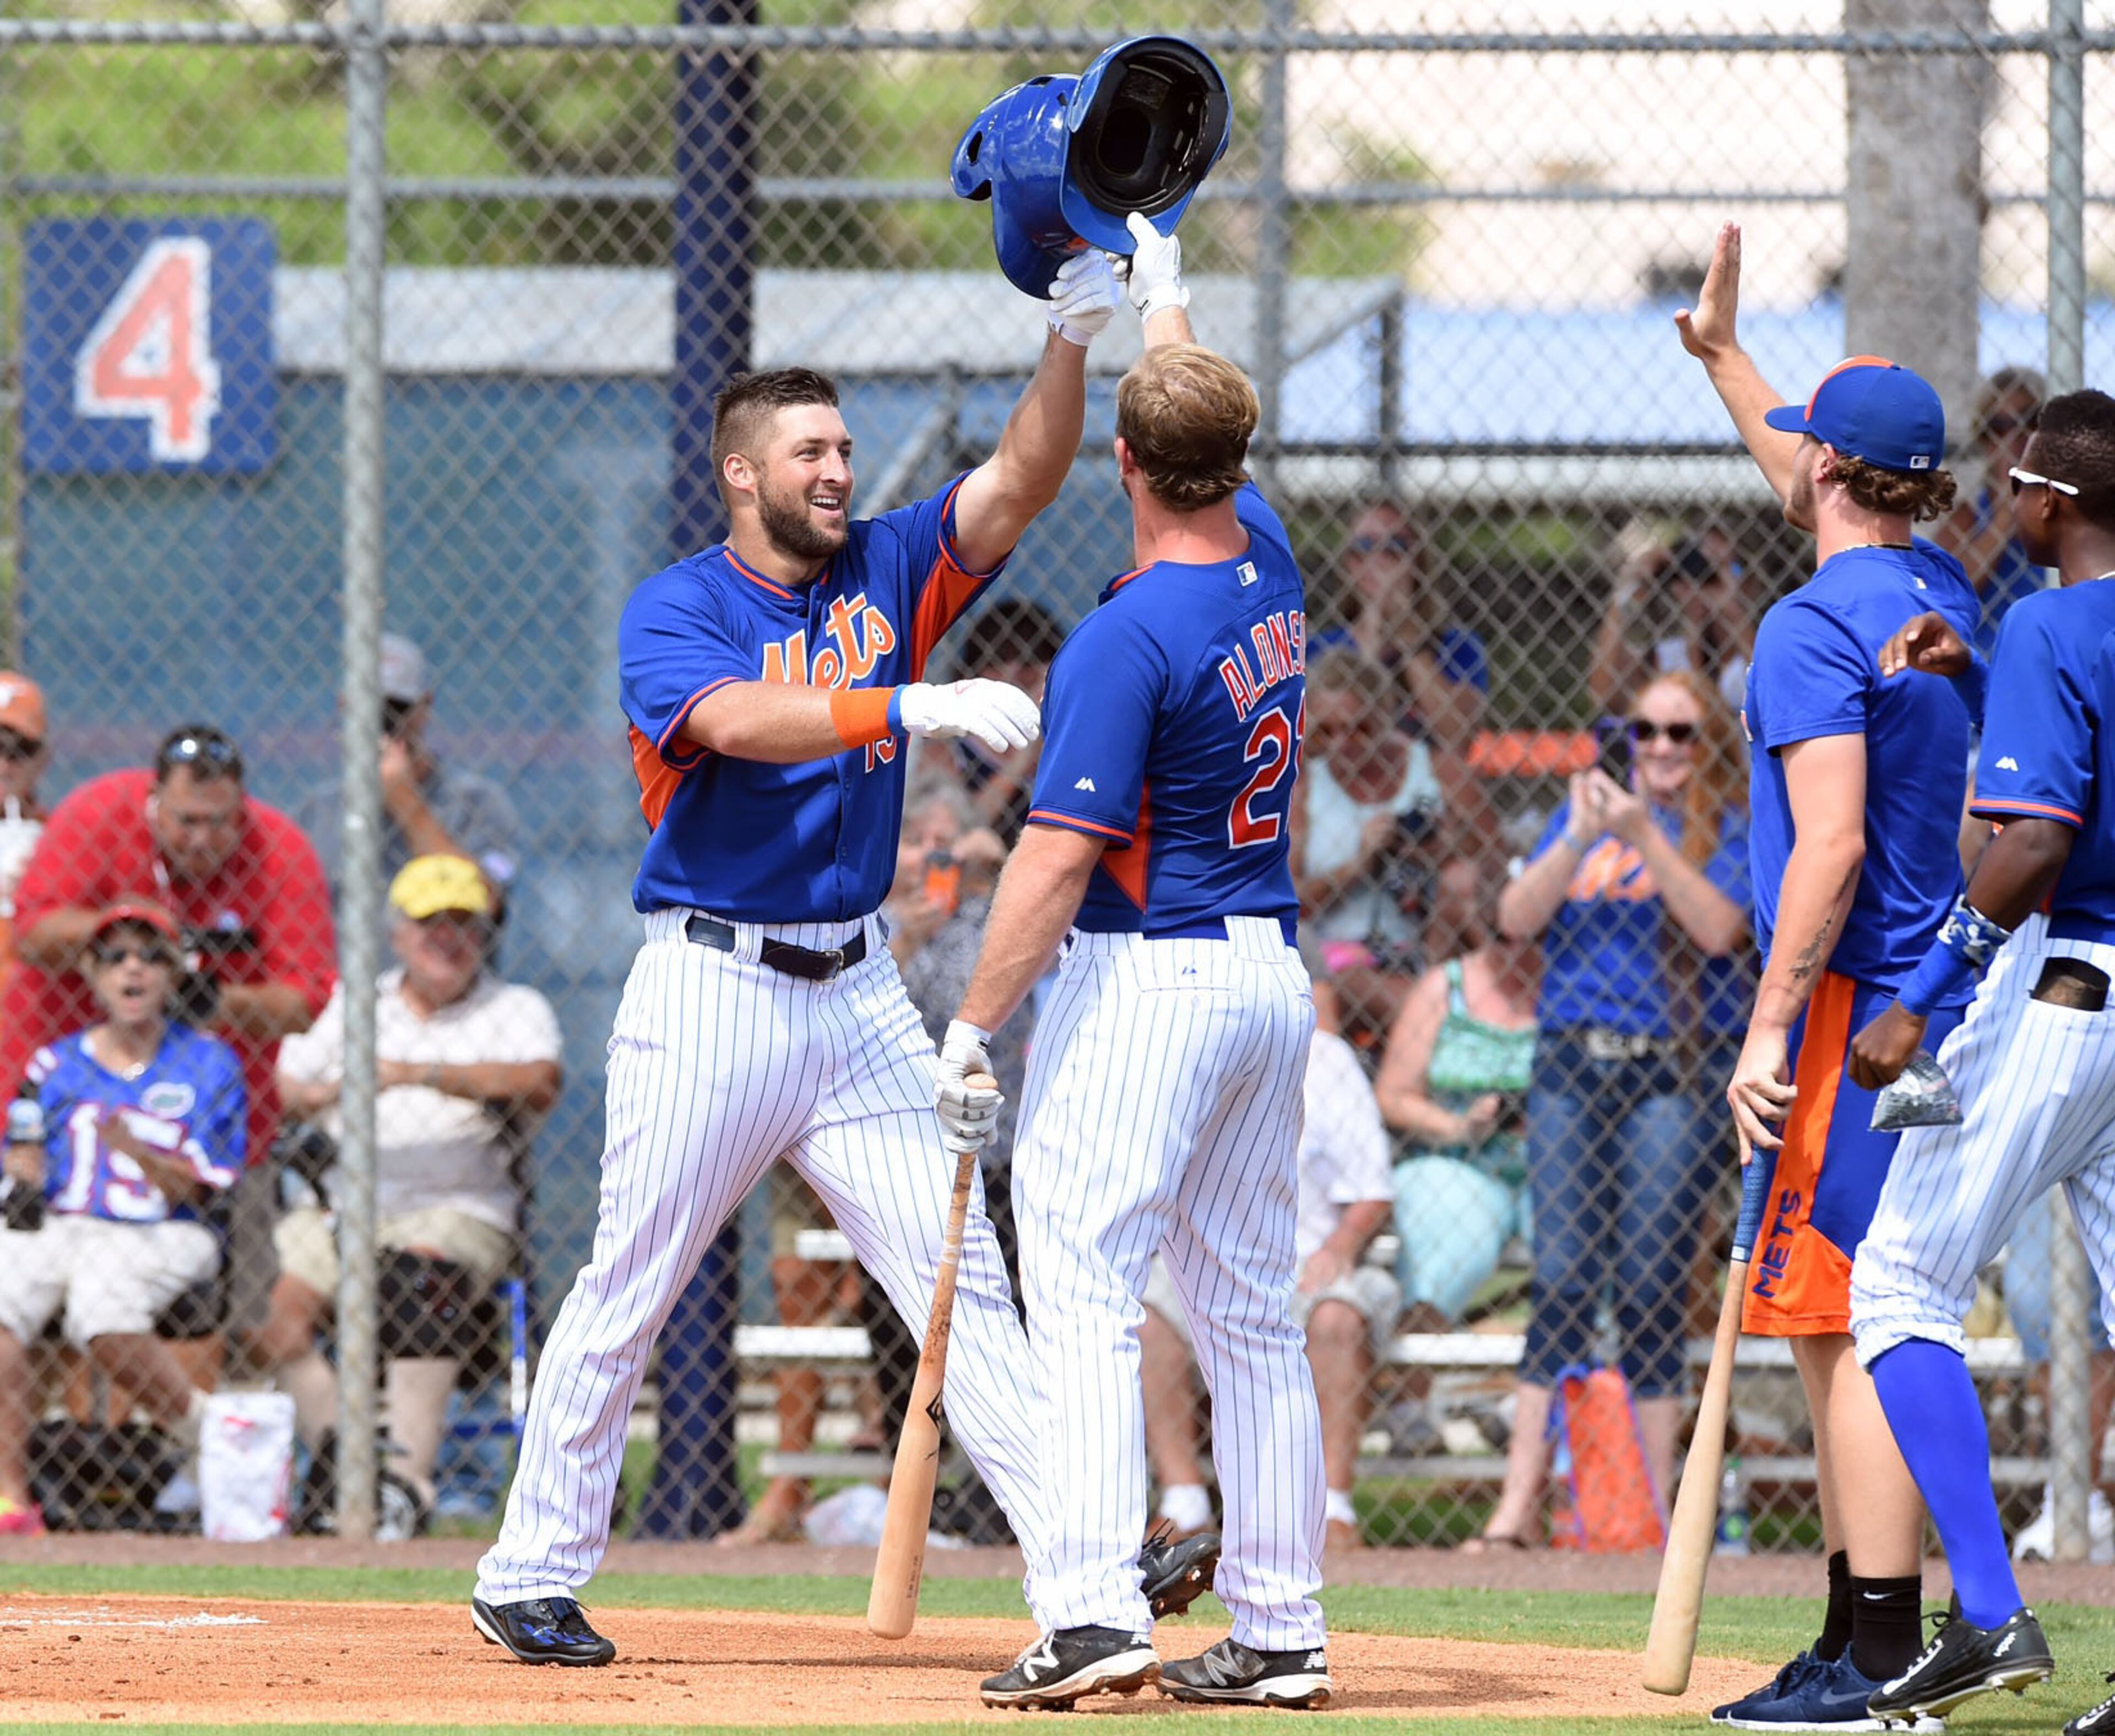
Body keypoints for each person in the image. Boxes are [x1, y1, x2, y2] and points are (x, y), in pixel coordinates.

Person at [469, 252, 1214, 1665]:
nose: (835, 469)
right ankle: (528, 1569)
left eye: (844, 449)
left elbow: (1021, 477)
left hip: (858, 986)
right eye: (807, 452)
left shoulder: (886, 557)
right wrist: (907, 701)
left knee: (965, 1287)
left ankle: (1088, 1579)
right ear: (740, 475)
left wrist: (1066, 338)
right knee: (635, 1274)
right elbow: (738, 723)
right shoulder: (676, 606)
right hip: (713, 983)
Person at [941, 213, 1332, 1712]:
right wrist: (1169, 300)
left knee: (1090, 1292)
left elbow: (1051, 857)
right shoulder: (1269, 562)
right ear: (1235, 457)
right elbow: (1193, 415)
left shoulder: (1123, 634)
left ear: (1120, 464)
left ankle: (1093, 1610)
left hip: (1151, 975)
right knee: (1246, 1309)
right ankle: (1283, 1628)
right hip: (1264, 972)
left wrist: (973, 1023)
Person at [1677, 222, 1985, 1728]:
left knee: (1842, 1318)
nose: (1785, 449)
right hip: (1944, 1000)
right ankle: (1867, 1635)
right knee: (1875, 1311)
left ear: (1832, 479)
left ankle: (1877, 1657)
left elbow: (1829, 847)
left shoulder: (1809, 624)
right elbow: (1805, 469)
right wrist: (1722, 354)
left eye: (1806, 443)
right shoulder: (1938, 593)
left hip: (1853, 1010)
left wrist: (1766, 1024)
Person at [1835, 392, 2115, 1723]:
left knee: (1894, 1284)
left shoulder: (2053, 617)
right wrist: (1990, 675)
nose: (2003, 506)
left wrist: (1921, 994)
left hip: (2065, 986)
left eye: (2013, 488)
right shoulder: (2046, 634)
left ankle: (1994, 1613)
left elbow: (2034, 844)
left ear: (2050, 502)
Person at [1471, 668, 1750, 1550]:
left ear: (1708, 745)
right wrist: (1581, 836)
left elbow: (1718, 930)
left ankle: (1653, 1521)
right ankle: (1515, 1512)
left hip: (1668, 1074)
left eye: (1681, 733)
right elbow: (1514, 917)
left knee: (1652, 1290)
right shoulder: (1584, 816)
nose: (1661, 749)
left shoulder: (1729, 829)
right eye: (1646, 731)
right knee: (1557, 1281)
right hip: (1569, 1067)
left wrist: (1644, 837)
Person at [0, 725, 337, 1351]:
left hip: (211, 1127)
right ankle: (71, 1446)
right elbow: (34, 931)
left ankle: (202, 1434)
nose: (202, 839)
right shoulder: (100, 814)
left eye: (220, 821)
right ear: (155, 800)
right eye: (185, 821)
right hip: (72, 1118)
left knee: (234, 1326)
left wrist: (207, 999)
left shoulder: (278, 849)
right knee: (41, 1320)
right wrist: (144, 935)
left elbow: (305, 1000)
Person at [255, 854, 562, 1527]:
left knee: (417, 1274)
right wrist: (342, 1088)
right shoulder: (357, 1002)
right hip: (343, 1204)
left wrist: (417, 1071)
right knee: (268, 1304)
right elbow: (287, 1086)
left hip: (459, 1209)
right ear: (399, 933)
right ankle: (346, 1461)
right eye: (430, 924)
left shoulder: (513, 1007)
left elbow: (539, 1079)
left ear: (485, 933)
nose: (447, 938)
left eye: (463, 923)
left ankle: (404, 1484)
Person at [0, 902, 245, 1536]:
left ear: (174, 973)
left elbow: (206, 1187)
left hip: (163, 1229)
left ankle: (205, 1435)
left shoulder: (209, 1062)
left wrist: (137, 1151)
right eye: (115, 956)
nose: (133, 968)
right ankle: (10, 1498)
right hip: (64, 1223)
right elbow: (22, 1159)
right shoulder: (55, 1065)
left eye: (151, 955)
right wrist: (23, 1170)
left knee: (101, 1310)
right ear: (91, 973)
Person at [1138, 1015, 1396, 1556]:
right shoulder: (1181, 1042)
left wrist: (1338, 1249)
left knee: (1338, 1317)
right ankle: (1184, 1502)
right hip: (1204, 1260)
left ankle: (1332, 1509)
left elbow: (1373, 1189)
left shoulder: (1327, 1058)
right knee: (1144, 1308)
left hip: (1308, 1262)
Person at [1373, 886, 1540, 1333]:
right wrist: (1462, 1125)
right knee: (1448, 1244)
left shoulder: (1573, 986)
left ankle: (1593, 1394)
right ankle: (1412, 1393)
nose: (1519, 951)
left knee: (1584, 1261)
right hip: (1457, 1160)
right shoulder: (1443, 987)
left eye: (1534, 937)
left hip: (1556, 1163)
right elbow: (1393, 1094)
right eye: (1505, 938)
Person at [291, 632, 522, 908]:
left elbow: (488, 899)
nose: (383, 724)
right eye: (369, 708)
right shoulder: (317, 812)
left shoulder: (477, 804)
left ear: (425, 707)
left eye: (397, 709)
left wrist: (405, 801)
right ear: (345, 706)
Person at [1292, 647, 1450, 1039]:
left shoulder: (1431, 768)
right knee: (1366, 985)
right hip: (1339, 951)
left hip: (1424, 941)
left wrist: (1428, 851)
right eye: (1327, 731)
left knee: (1460, 880)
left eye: (1359, 728)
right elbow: (1289, 901)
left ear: (1385, 718)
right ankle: (1446, 1026)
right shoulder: (1303, 785)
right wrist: (1360, 861)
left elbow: (1485, 861)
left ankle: (1446, 1009)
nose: (1343, 743)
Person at [1315, 500, 1487, 751]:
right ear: (1349, 563)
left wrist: (1410, 639)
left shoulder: (1458, 646)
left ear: (1417, 561)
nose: (1376, 561)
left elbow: (1459, 740)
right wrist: (1370, 640)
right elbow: (1326, 742)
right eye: (1363, 547)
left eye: (1393, 548)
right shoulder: (1320, 648)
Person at [1934, 367, 2048, 657]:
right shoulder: (1967, 519)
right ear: (1984, 439)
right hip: (1989, 662)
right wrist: (2005, 516)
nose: (2016, 437)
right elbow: (1947, 595)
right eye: (1999, 427)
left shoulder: (2068, 511)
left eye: (2029, 420)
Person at [1586, 520, 1755, 715]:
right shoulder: (1663, 656)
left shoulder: (1758, 649)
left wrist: (1733, 612)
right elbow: (1603, 697)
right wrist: (1628, 590)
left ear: (1748, 580)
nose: (1699, 580)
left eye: (1721, 567)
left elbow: (1776, 691)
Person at [945, 599, 1066, 844]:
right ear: (974, 671)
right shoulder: (950, 751)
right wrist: (1024, 755)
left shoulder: (1064, 750)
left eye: (1032, 660)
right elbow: (961, 832)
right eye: (1000, 660)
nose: (1015, 674)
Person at [0, 673, 52, 1002]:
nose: (4, 765)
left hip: (29, 1016)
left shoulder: (60, 837)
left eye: (19, 751)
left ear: (42, 759)